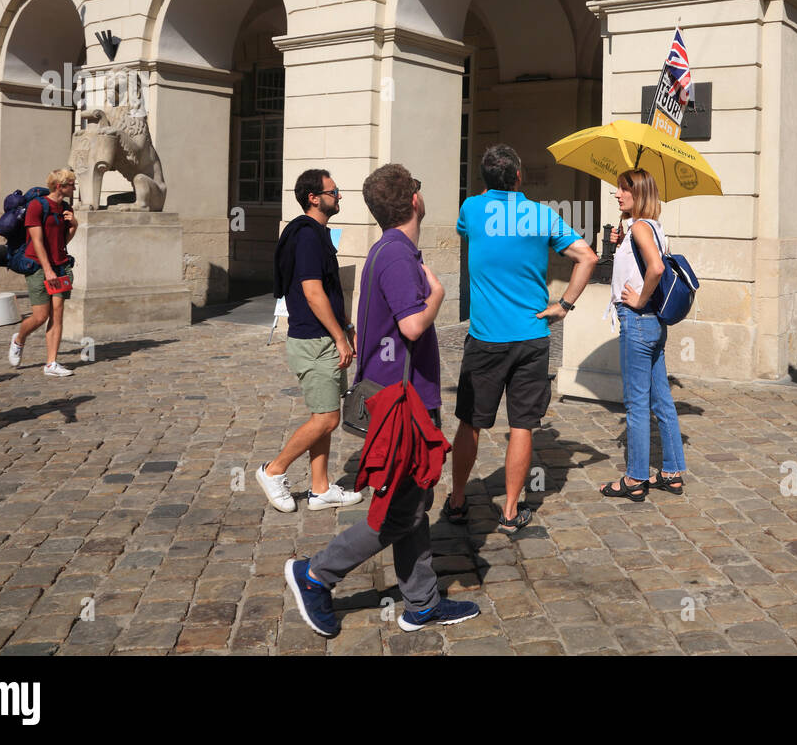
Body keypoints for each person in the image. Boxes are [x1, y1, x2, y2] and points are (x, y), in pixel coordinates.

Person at [286, 163, 480, 636]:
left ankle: (421, 602)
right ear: (413, 199)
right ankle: (315, 575)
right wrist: (437, 294)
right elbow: (413, 324)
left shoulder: (391, 250)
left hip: (402, 401)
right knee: (397, 512)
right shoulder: (396, 254)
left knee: (412, 505)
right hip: (402, 406)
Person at [445, 144, 598, 532]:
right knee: (522, 425)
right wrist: (564, 304)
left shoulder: (471, 209)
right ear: (518, 176)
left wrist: (485, 195)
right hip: (532, 334)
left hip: (485, 338)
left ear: (484, 179)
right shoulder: (543, 214)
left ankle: (458, 499)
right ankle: (511, 511)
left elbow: (466, 227)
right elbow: (588, 257)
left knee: (470, 422)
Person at [256, 169, 363, 512]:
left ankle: (320, 488)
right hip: (314, 341)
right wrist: (339, 338)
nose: (340, 196)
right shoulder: (306, 236)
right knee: (327, 419)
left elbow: (329, 292)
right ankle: (273, 470)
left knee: (324, 413)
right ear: (314, 198)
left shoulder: (317, 233)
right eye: (334, 191)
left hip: (325, 338)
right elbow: (313, 292)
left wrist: (346, 326)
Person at [600, 169, 686, 502]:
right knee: (661, 400)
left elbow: (657, 268)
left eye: (623, 190)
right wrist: (620, 246)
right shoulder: (651, 228)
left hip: (637, 321)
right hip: (653, 325)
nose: (618, 195)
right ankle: (672, 472)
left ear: (639, 194)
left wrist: (637, 298)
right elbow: (644, 263)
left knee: (636, 404)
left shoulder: (639, 227)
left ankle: (636, 478)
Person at [7, 169, 78, 377]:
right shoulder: (37, 206)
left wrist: (74, 225)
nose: (74, 187)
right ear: (60, 186)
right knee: (40, 316)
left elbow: (62, 242)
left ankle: (51, 363)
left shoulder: (65, 207)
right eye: (72, 184)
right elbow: (37, 241)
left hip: (60, 265)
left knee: (58, 312)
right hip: (38, 266)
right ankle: (19, 338)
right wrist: (47, 270)